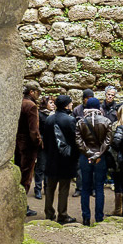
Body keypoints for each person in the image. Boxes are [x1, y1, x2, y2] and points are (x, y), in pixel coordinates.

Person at [75, 97, 113, 226]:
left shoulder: (81, 122)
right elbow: (108, 141)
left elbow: (79, 142)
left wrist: (90, 154)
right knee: (99, 188)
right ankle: (99, 217)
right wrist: (98, 155)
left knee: (85, 188)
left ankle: (86, 217)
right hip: (100, 159)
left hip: (86, 158)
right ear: (98, 108)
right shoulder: (106, 121)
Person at [40, 94, 78, 224]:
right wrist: (74, 157)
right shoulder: (70, 120)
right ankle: (62, 214)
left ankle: (49, 213)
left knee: (50, 187)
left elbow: (45, 139)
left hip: (51, 158)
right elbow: (74, 141)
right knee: (63, 188)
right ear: (66, 105)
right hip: (65, 159)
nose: (72, 105)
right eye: (71, 103)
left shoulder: (49, 119)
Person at [14, 81, 43, 217]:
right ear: (32, 92)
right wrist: (38, 142)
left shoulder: (18, 102)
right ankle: (22, 206)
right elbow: (33, 130)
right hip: (27, 145)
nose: (39, 95)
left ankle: (16, 203)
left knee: (18, 172)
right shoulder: (31, 106)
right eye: (38, 92)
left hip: (17, 142)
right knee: (26, 176)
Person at [71, 89, 95, 197]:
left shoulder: (98, 110)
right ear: (84, 99)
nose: (89, 101)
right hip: (81, 142)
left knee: (94, 166)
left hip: (93, 143)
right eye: (87, 99)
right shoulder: (77, 110)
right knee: (79, 166)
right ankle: (80, 188)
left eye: (91, 99)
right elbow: (73, 125)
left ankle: (93, 188)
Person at [33, 96, 55, 200]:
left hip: (52, 145)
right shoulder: (40, 114)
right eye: (50, 103)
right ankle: (38, 188)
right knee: (41, 167)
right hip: (43, 144)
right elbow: (37, 129)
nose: (53, 105)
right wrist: (41, 140)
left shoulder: (54, 115)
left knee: (49, 167)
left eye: (53, 103)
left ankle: (47, 188)